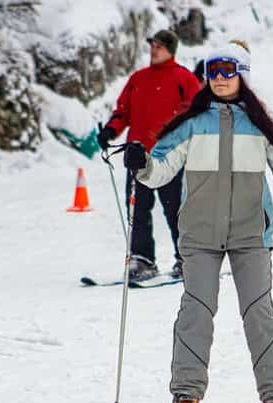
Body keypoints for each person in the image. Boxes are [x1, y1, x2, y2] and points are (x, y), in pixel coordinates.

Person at [121, 42, 273, 403]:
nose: (219, 78)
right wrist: (141, 163)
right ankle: (186, 397)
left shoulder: (259, 125)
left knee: (259, 313)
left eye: (227, 70)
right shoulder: (191, 124)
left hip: (251, 234)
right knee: (195, 313)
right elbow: (159, 169)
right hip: (199, 235)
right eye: (213, 70)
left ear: (241, 74)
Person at [98, 29, 201, 281]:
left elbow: (197, 114)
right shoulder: (138, 79)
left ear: (171, 50)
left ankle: (187, 258)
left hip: (171, 156)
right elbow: (123, 111)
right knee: (137, 209)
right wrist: (111, 130)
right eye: (153, 45)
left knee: (176, 209)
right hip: (137, 155)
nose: (154, 50)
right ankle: (142, 260)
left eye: (160, 46)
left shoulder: (184, 79)